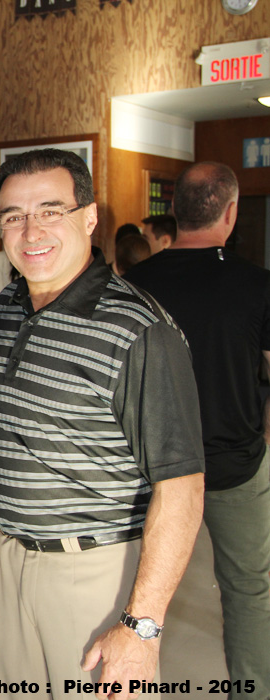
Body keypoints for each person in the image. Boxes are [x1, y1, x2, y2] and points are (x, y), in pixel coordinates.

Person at [0, 149, 205, 699]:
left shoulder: (140, 330)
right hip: (8, 565)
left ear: (89, 216)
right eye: (13, 215)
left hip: (96, 573)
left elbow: (183, 488)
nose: (30, 230)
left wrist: (141, 624)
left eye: (50, 210)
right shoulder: (5, 309)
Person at [125, 162, 270, 696]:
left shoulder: (133, 286)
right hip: (236, 466)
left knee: (141, 597)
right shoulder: (257, 285)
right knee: (249, 592)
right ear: (230, 214)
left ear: (176, 212)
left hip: (151, 474)